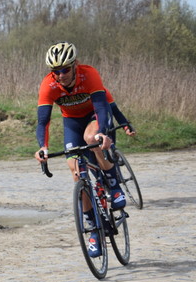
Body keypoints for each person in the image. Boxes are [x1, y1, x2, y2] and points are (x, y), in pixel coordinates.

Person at [34, 42, 126, 258]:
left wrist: (103, 132)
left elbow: (102, 107)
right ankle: (93, 228)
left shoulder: (89, 74)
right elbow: (43, 121)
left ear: (75, 65)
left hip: (94, 116)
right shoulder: (49, 85)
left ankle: (113, 184)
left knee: (91, 138)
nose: (61, 74)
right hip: (72, 122)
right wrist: (42, 147)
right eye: (55, 71)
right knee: (75, 170)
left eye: (65, 69)